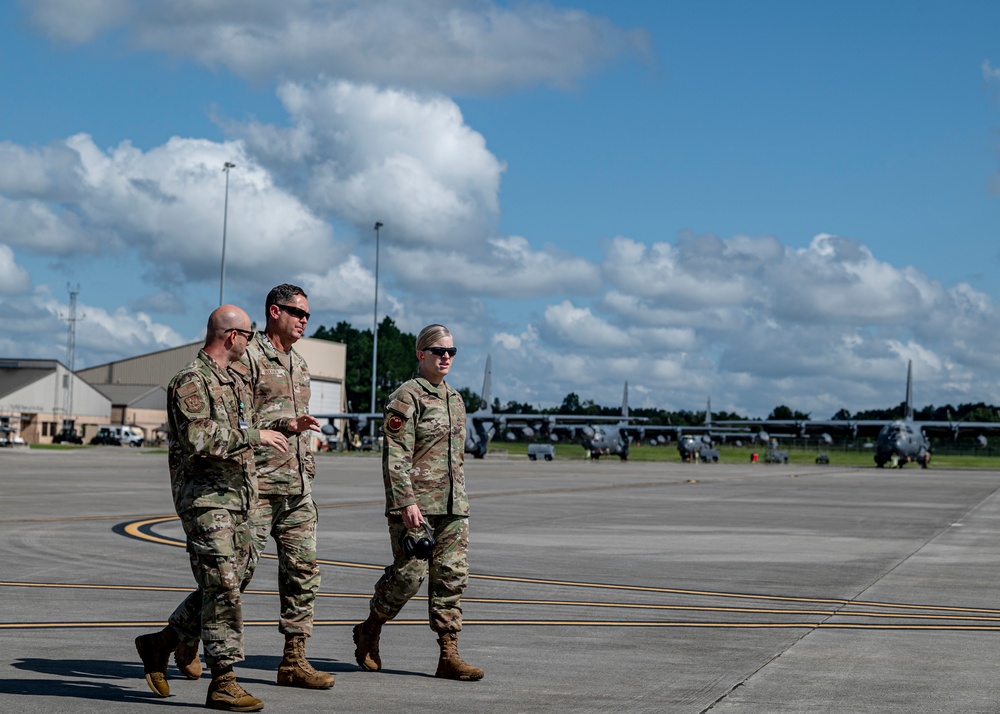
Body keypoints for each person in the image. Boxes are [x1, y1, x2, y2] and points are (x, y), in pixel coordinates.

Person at [134, 305, 304, 711]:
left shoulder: (233, 380)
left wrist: (280, 428)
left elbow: (243, 430)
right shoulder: (190, 381)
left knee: (227, 583)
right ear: (232, 337)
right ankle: (224, 679)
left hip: (239, 498)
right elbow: (200, 438)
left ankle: (161, 644)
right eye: (248, 334)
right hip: (206, 501)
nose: (251, 341)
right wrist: (255, 435)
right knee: (225, 587)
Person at [175, 284, 332, 689]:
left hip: (296, 484)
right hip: (255, 486)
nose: (304, 321)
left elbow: (271, 422)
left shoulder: (298, 363)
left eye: (308, 315)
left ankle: (294, 659)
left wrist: (293, 429)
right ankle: (180, 637)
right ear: (274, 312)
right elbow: (234, 422)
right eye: (298, 312)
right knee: (233, 578)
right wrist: (269, 432)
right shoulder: (246, 358)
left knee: (303, 572)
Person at [352, 324, 484, 681]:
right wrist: (406, 501)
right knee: (409, 577)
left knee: (451, 578)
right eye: (439, 351)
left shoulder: (456, 399)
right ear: (420, 354)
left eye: (451, 352)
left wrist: (461, 502)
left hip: (454, 506)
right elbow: (394, 454)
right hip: (416, 506)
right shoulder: (406, 397)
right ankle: (371, 628)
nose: (445, 357)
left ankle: (448, 654)